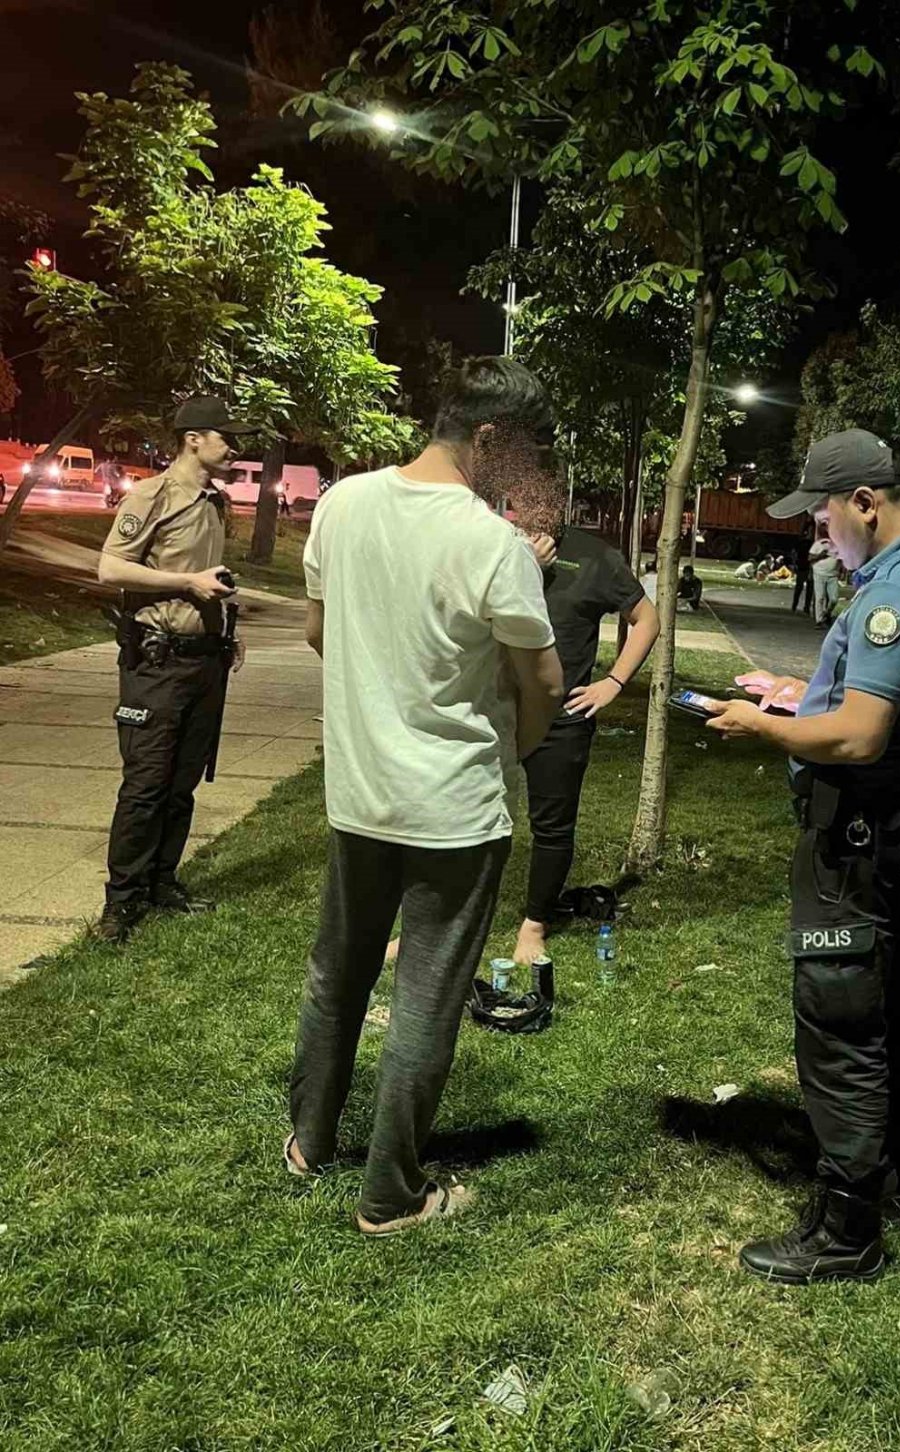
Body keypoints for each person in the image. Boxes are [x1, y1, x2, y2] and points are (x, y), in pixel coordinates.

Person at [286, 358, 564, 1235]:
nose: (528, 470)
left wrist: (382, 698)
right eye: (522, 451)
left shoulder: (342, 503)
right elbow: (544, 683)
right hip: (453, 808)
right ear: (487, 437)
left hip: (359, 795)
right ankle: (391, 1195)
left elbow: (320, 631)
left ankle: (308, 1142)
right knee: (427, 997)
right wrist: (514, 750)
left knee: (339, 972)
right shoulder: (492, 543)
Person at [705, 428, 900, 1284]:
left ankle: (846, 1229)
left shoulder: (893, 593)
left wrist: (762, 725)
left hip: (860, 838)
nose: (820, 534)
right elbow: (886, 701)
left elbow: (861, 737)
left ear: (865, 503)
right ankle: (893, 1175)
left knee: (841, 1020)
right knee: (891, 1005)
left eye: (825, 517)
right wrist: (802, 695)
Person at [93, 397, 249, 944]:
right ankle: (121, 901)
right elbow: (110, 567)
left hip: (204, 660)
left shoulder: (215, 501)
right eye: (227, 438)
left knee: (182, 783)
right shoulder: (152, 495)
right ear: (193, 439)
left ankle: (162, 883)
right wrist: (186, 583)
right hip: (156, 663)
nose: (235, 448)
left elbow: (207, 576)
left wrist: (226, 628)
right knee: (145, 784)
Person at [505, 499, 658, 966]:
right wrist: (525, 567)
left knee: (552, 827)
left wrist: (613, 683)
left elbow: (647, 619)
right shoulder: (493, 543)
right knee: (464, 818)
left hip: (562, 719)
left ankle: (535, 924)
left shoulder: (594, 556)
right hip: (494, 712)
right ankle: (439, 921)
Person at [810, 531, 841, 627]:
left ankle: (826, 613)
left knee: (834, 599)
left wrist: (840, 570)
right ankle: (819, 620)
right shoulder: (818, 544)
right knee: (820, 597)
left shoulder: (838, 545)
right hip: (819, 574)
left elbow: (841, 559)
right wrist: (820, 555)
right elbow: (810, 558)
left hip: (833, 575)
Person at [791, 528, 815, 615]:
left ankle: (804, 607)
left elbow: (794, 553)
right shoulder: (804, 543)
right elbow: (794, 553)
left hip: (806, 567)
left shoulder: (811, 543)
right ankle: (796, 605)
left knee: (808, 589)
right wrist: (795, 563)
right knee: (801, 588)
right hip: (803, 567)